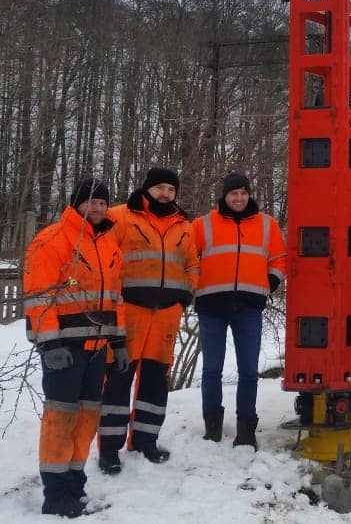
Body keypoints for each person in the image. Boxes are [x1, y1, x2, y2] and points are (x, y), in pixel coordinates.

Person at [23, 178, 128, 518]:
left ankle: (74, 482)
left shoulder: (109, 243)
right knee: (60, 418)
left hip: (97, 347)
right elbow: (39, 296)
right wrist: (49, 342)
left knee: (86, 418)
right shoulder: (52, 239)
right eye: (90, 202)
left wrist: (118, 341)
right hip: (65, 348)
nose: (97, 208)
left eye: (102, 203)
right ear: (76, 204)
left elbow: (115, 298)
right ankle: (55, 493)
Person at [97, 167, 200, 474]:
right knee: (118, 379)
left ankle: (146, 440)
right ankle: (109, 449)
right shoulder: (119, 217)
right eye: (159, 188)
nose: (165, 194)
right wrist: (112, 302)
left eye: (170, 189)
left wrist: (185, 297)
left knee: (156, 382)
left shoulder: (185, 226)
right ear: (147, 189)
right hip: (129, 312)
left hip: (167, 316)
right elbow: (105, 261)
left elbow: (192, 265)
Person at [192, 173, 286, 449]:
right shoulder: (202, 225)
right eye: (234, 193)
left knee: (248, 370)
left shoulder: (267, 224)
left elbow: (279, 258)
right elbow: (187, 259)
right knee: (211, 369)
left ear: (249, 194)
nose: (239, 198)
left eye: (244, 193)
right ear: (224, 196)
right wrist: (194, 285)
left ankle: (247, 428)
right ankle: (212, 427)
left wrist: (270, 281)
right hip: (211, 306)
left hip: (249, 306)